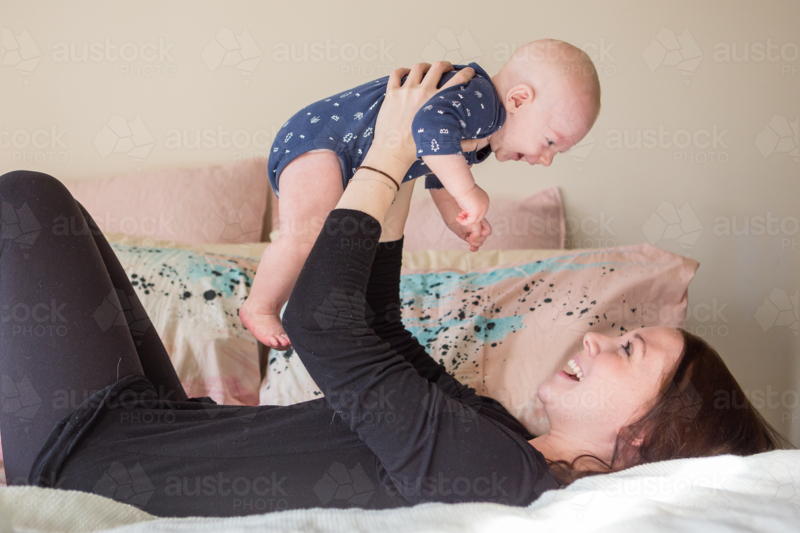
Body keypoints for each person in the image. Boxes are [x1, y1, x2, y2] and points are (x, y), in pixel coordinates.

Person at [0, 62, 788, 519]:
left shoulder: (504, 478)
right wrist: (405, 171)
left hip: (95, 459)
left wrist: (381, 159)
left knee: (23, 203)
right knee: (50, 209)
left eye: (628, 348)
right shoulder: (499, 438)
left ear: (646, 436)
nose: (595, 338)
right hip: (157, 427)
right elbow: (378, 328)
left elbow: (322, 322)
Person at [241, 38, 602, 350]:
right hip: (322, 143)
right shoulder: (481, 101)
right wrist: (469, 191)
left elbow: (435, 163)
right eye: (551, 141)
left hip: (334, 149)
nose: (546, 159)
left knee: (325, 242)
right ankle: (259, 306)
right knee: (305, 237)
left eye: (557, 152)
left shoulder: (482, 124)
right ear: (519, 100)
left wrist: (455, 215)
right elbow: (428, 128)